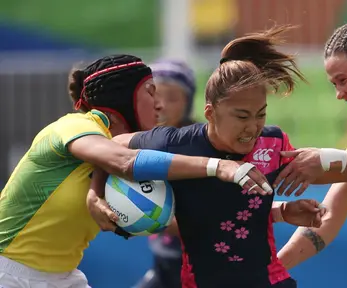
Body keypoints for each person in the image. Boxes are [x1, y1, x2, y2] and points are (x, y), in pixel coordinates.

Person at [0, 54, 277, 288]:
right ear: (124, 97)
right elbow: (124, 161)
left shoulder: (119, 155)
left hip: (63, 277)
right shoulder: (74, 126)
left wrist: (276, 212)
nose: (159, 104)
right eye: (151, 91)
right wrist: (219, 166)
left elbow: (192, 218)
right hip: (8, 271)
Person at [87, 26, 327, 288]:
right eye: (242, 116)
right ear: (210, 112)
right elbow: (110, 147)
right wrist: (94, 192)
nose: (253, 126)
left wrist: (285, 209)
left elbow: (340, 174)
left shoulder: (273, 143)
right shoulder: (175, 143)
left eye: (261, 114)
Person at [272, 6, 347, 269]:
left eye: (343, 80)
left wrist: (328, 159)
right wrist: (273, 271)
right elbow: (328, 216)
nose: (339, 94)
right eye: (334, 84)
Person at [135, 59, 197, 288]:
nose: (160, 105)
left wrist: (149, 218)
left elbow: (211, 218)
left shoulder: (199, 147)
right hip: (165, 266)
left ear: (187, 104)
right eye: (154, 96)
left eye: (172, 97)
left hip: (202, 268)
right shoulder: (136, 143)